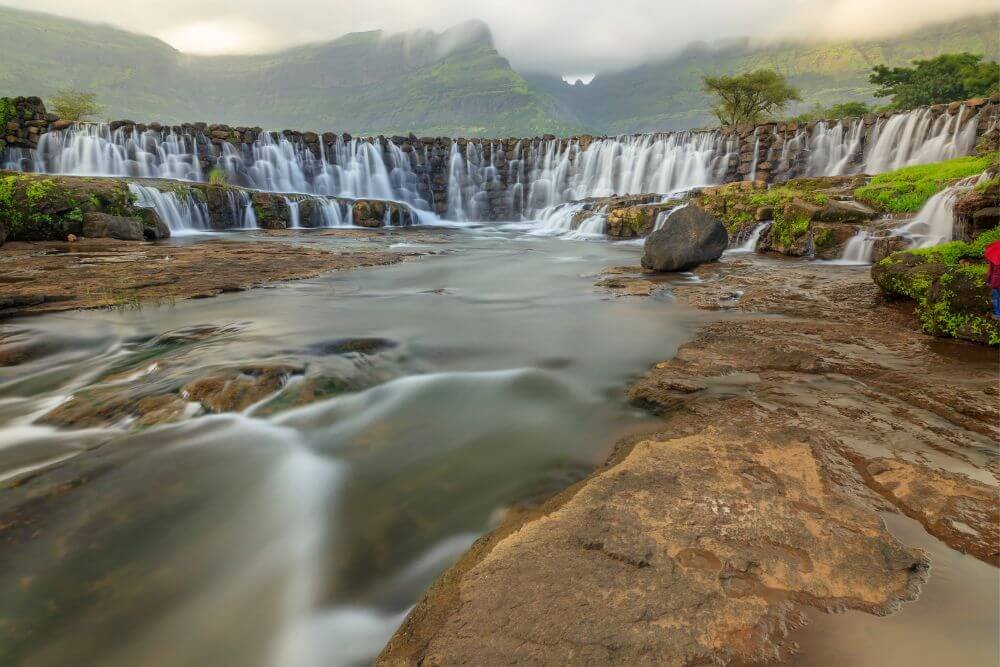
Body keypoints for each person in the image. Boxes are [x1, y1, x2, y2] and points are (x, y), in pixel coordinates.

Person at [986, 240, 1000, 321]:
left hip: (996, 282)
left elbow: (990, 271)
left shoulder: (995, 256)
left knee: (996, 297)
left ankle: (998, 314)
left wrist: (988, 281)